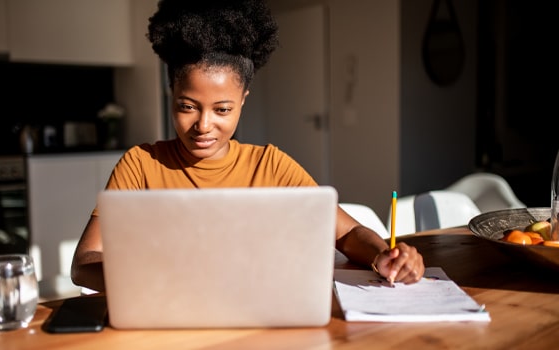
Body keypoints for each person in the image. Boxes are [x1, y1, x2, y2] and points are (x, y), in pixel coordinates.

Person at [71, 0, 424, 292]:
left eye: (222, 109)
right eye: (187, 106)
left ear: (243, 101)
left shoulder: (270, 166)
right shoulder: (140, 165)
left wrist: (384, 255)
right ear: (172, 97)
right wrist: (149, 279)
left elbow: (347, 232)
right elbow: (84, 262)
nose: (204, 126)